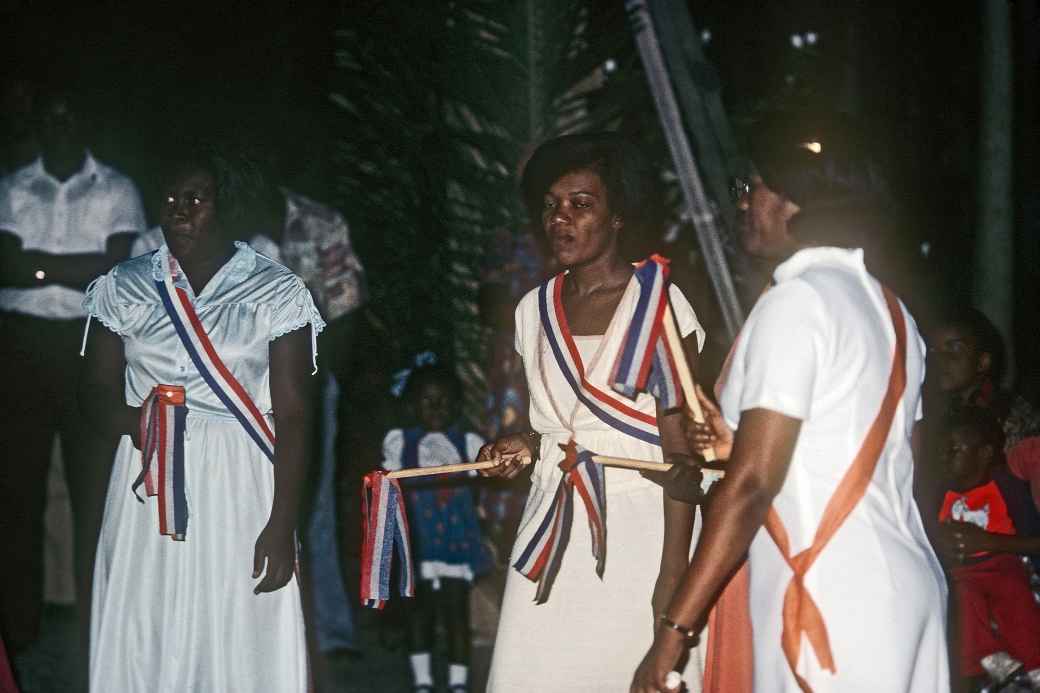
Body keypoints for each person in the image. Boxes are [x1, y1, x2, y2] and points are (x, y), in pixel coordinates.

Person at [631, 116, 950, 692]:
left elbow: (751, 485)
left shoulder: (797, 302)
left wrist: (674, 632)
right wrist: (735, 443)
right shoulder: (893, 312)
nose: (743, 204)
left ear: (796, 199)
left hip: (830, 589)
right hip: (903, 588)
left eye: (751, 187)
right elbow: (874, 452)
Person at [81, 148, 322, 691]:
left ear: (227, 206)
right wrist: (134, 422)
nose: (178, 211)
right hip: (150, 476)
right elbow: (92, 394)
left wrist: (283, 522)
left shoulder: (275, 291)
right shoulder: (126, 286)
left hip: (241, 476)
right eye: (169, 198)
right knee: (148, 617)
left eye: (196, 199)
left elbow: (296, 415)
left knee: (237, 620)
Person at [479, 133, 708, 692]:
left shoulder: (657, 302)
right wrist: (523, 446)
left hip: (643, 527)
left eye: (582, 204)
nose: (562, 219)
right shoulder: (532, 310)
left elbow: (681, 452)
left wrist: (674, 574)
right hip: (552, 524)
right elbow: (559, 421)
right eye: (552, 206)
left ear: (618, 216)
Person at [132, 166, 368, 657]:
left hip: (304, 388)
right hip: (224, 395)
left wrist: (317, 382)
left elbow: (346, 311)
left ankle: (325, 630)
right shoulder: (212, 229)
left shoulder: (320, 222)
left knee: (312, 506)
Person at [0, 84, 145, 654]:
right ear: (40, 122)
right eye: (51, 115)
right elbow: (4, 269)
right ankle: (18, 628)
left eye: (70, 115)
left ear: (84, 122)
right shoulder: (11, 188)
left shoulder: (117, 188)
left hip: (90, 346)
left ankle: (98, 623)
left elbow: (114, 269)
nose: (60, 125)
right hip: (20, 347)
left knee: (94, 488)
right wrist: (62, 271)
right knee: (17, 490)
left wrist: (34, 267)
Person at [381, 362, 489, 692]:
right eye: (427, 401)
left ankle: (458, 683)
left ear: (457, 403)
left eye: (444, 401)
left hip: (457, 542)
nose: (436, 408)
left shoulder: (469, 443)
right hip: (420, 544)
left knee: (458, 615)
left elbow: (485, 480)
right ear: (412, 404)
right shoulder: (401, 443)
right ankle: (423, 681)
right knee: (420, 614)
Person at [934, 408, 1040, 689]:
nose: (945, 456)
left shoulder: (1004, 487)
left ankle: (1034, 666)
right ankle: (989, 659)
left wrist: (994, 543)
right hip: (962, 570)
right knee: (963, 598)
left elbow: (1026, 529)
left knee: (1016, 597)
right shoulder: (940, 491)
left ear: (982, 454)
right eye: (943, 449)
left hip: (1002, 561)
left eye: (955, 449)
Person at [927, 307, 1040, 509]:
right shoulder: (928, 409)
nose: (940, 360)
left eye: (954, 350)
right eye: (934, 351)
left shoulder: (1013, 416)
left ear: (983, 362)